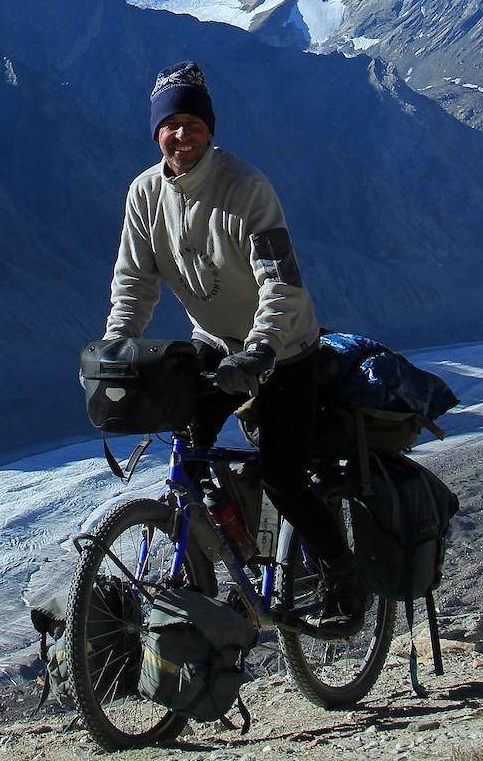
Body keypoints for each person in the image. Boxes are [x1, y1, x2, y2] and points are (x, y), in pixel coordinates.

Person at [104, 61, 364, 631]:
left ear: (210, 129)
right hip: (214, 342)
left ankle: (342, 571)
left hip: (285, 351)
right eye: (171, 124)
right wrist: (117, 348)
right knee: (188, 444)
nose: (182, 135)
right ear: (156, 132)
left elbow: (281, 281)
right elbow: (134, 282)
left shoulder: (247, 188)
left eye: (193, 122)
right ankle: (242, 554)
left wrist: (263, 349)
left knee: (282, 473)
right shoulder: (145, 194)